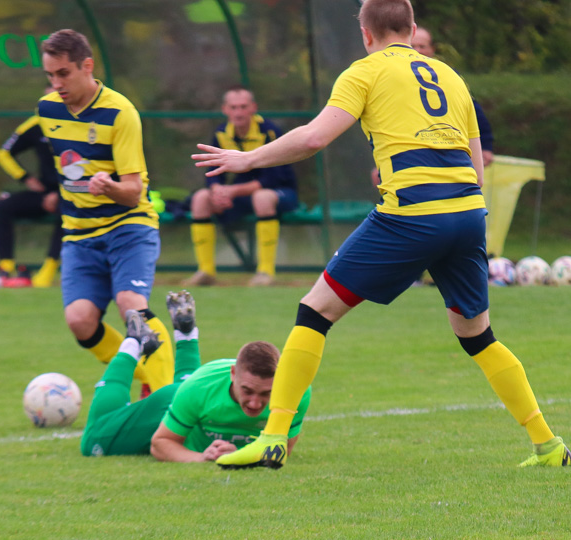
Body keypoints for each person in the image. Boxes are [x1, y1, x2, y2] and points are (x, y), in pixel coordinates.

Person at [194, 0, 570, 469]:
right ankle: (549, 445)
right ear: (412, 29)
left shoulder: (364, 71)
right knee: (478, 336)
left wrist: (247, 159)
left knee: (314, 312)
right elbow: (475, 165)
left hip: (411, 214)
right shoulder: (450, 76)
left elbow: (313, 139)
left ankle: (272, 439)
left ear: (365, 34)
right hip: (469, 213)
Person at [36, 29, 173, 396]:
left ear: (87, 66)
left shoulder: (120, 112)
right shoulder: (46, 109)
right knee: (79, 321)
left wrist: (108, 186)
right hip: (79, 233)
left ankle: (166, 398)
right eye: (49, 75)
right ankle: (146, 376)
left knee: (131, 305)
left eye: (63, 74)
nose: (56, 84)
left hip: (128, 225)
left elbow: (133, 192)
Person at [81, 291, 311, 461]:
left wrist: (237, 455)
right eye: (247, 391)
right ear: (233, 375)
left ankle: (186, 334)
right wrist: (203, 457)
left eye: (266, 394)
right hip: (172, 403)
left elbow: (282, 451)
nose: (254, 403)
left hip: (194, 394)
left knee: (193, 389)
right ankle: (132, 343)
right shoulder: (199, 387)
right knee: (93, 441)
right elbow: (161, 444)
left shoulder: (296, 391)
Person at [184, 86, 299, 288]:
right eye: (233, 107)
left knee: (262, 197)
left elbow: (271, 179)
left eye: (243, 107)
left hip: (281, 193)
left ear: (253, 108)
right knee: (201, 198)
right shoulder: (221, 133)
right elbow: (212, 172)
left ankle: (265, 272)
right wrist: (217, 191)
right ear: (225, 109)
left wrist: (232, 191)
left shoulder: (270, 131)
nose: (238, 112)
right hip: (244, 196)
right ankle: (205, 271)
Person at [0, 87, 62, 288]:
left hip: (73, 190)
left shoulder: (77, 124)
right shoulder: (35, 125)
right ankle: (6, 267)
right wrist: (25, 178)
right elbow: (3, 153)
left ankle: (48, 270)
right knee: (4, 207)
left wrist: (59, 193)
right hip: (44, 191)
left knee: (68, 212)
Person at [410, 27, 494, 166]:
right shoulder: (396, 77)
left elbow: (472, 109)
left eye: (422, 46)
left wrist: (486, 146)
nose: (417, 50)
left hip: (447, 153)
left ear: (432, 49)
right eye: (412, 46)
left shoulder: (449, 76)